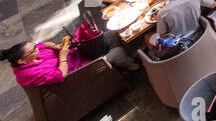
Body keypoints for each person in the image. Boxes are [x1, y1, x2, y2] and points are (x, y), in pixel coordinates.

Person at [3, 36, 136, 82]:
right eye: (33, 49)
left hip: (76, 55)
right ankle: (128, 64)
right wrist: (62, 56)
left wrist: (57, 46)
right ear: (21, 61)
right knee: (117, 52)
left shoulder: (32, 53)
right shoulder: (31, 73)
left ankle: (119, 65)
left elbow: (45, 44)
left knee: (110, 36)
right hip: (82, 70)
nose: (37, 48)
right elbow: (61, 75)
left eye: (33, 45)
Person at [148, 0, 216, 53]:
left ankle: (162, 57)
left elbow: (162, 35)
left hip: (178, 45)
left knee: (147, 37)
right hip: (200, 33)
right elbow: (213, 4)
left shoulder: (162, 12)